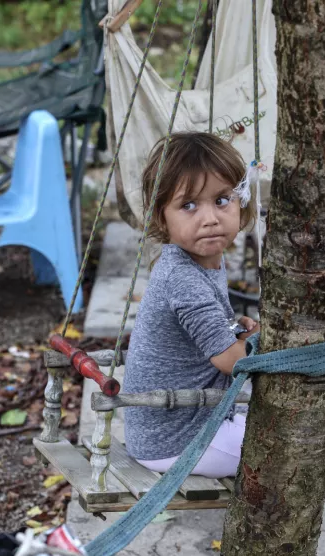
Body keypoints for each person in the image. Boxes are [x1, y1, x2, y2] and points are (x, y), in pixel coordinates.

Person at [122, 132, 259, 478]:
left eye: (222, 200)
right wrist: (276, 340)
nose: (210, 218)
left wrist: (233, 326)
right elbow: (230, 360)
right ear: (161, 217)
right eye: (189, 205)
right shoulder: (182, 277)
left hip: (183, 424)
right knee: (287, 446)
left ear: (241, 202)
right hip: (178, 441)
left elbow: (203, 329)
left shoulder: (205, 256)